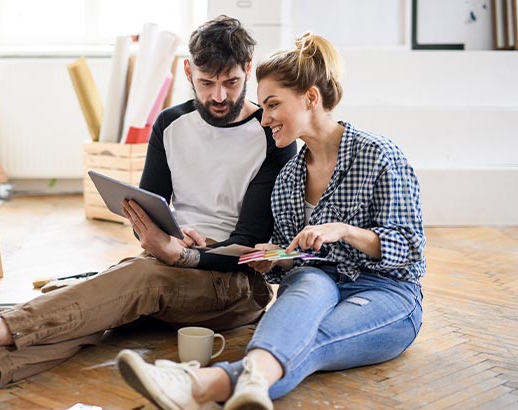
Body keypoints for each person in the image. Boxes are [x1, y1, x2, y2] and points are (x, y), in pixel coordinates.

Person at [0, 15, 297, 409]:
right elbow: (148, 211)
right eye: (206, 83)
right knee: (100, 308)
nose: (219, 96)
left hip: (234, 287)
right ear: (188, 72)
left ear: (248, 67)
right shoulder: (170, 125)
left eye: (231, 82)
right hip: (168, 268)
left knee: (133, 280)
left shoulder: (270, 134)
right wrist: (162, 238)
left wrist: (181, 255)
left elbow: (248, 247)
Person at [115, 32, 426, 410]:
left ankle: (200, 383)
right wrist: (273, 258)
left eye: (274, 105)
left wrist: (343, 230)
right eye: (262, 106)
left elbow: (410, 248)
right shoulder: (288, 178)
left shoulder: (377, 155)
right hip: (317, 279)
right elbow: (292, 259)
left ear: (311, 98)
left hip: (384, 291)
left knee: (313, 339)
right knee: (306, 284)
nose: (264, 118)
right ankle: (228, 386)